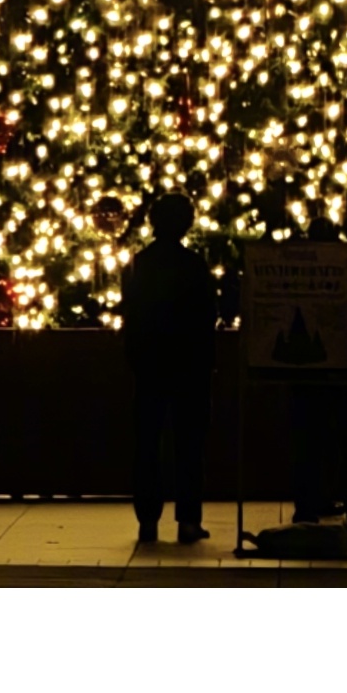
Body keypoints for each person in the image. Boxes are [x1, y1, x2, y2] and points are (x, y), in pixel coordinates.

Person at [119, 191, 218, 546]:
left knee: (147, 443)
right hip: (189, 364)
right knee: (189, 443)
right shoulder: (194, 266)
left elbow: (131, 315)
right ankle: (188, 520)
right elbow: (208, 316)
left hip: (150, 364)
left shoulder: (139, 264)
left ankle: (148, 519)